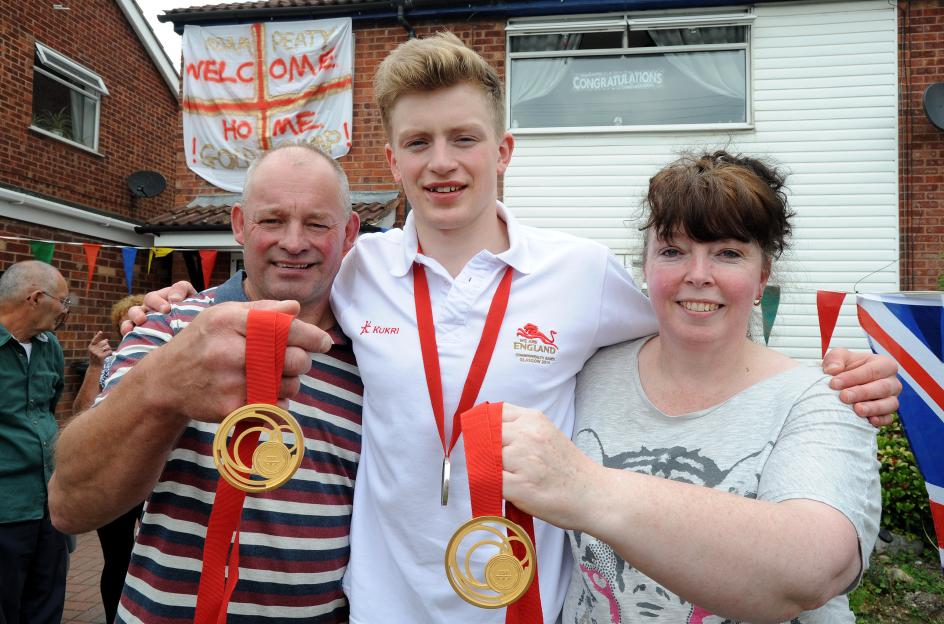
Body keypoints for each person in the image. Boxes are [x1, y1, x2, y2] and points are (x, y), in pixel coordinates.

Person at [125, 32, 899, 624]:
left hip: (525, 602)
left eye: (464, 139)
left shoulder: (582, 272)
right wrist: (166, 302)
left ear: (503, 151)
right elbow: (274, 282)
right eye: (420, 144)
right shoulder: (361, 270)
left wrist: (823, 377)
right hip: (378, 604)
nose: (443, 163)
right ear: (391, 162)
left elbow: (695, 317)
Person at [500, 151, 881, 623]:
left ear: (763, 276)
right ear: (645, 268)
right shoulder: (587, 372)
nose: (697, 274)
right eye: (673, 251)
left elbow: (812, 569)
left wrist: (585, 488)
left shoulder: (824, 399)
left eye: (728, 252)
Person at [49, 144, 363, 623]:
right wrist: (162, 385)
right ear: (239, 224)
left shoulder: (374, 352)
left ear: (349, 233)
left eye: (318, 223)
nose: (294, 242)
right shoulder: (168, 326)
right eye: (272, 220)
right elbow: (70, 505)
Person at [0, 260, 72, 624]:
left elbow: (48, 409)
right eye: (63, 301)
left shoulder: (50, 348)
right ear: (36, 298)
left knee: (46, 608)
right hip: (5, 509)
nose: (65, 310)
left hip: (49, 505)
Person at [72, 294, 145, 624]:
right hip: (114, 474)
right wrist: (96, 366)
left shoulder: (169, 359)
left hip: (157, 475)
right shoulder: (111, 362)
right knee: (117, 557)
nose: (132, 328)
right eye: (125, 324)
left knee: (152, 555)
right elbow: (80, 413)